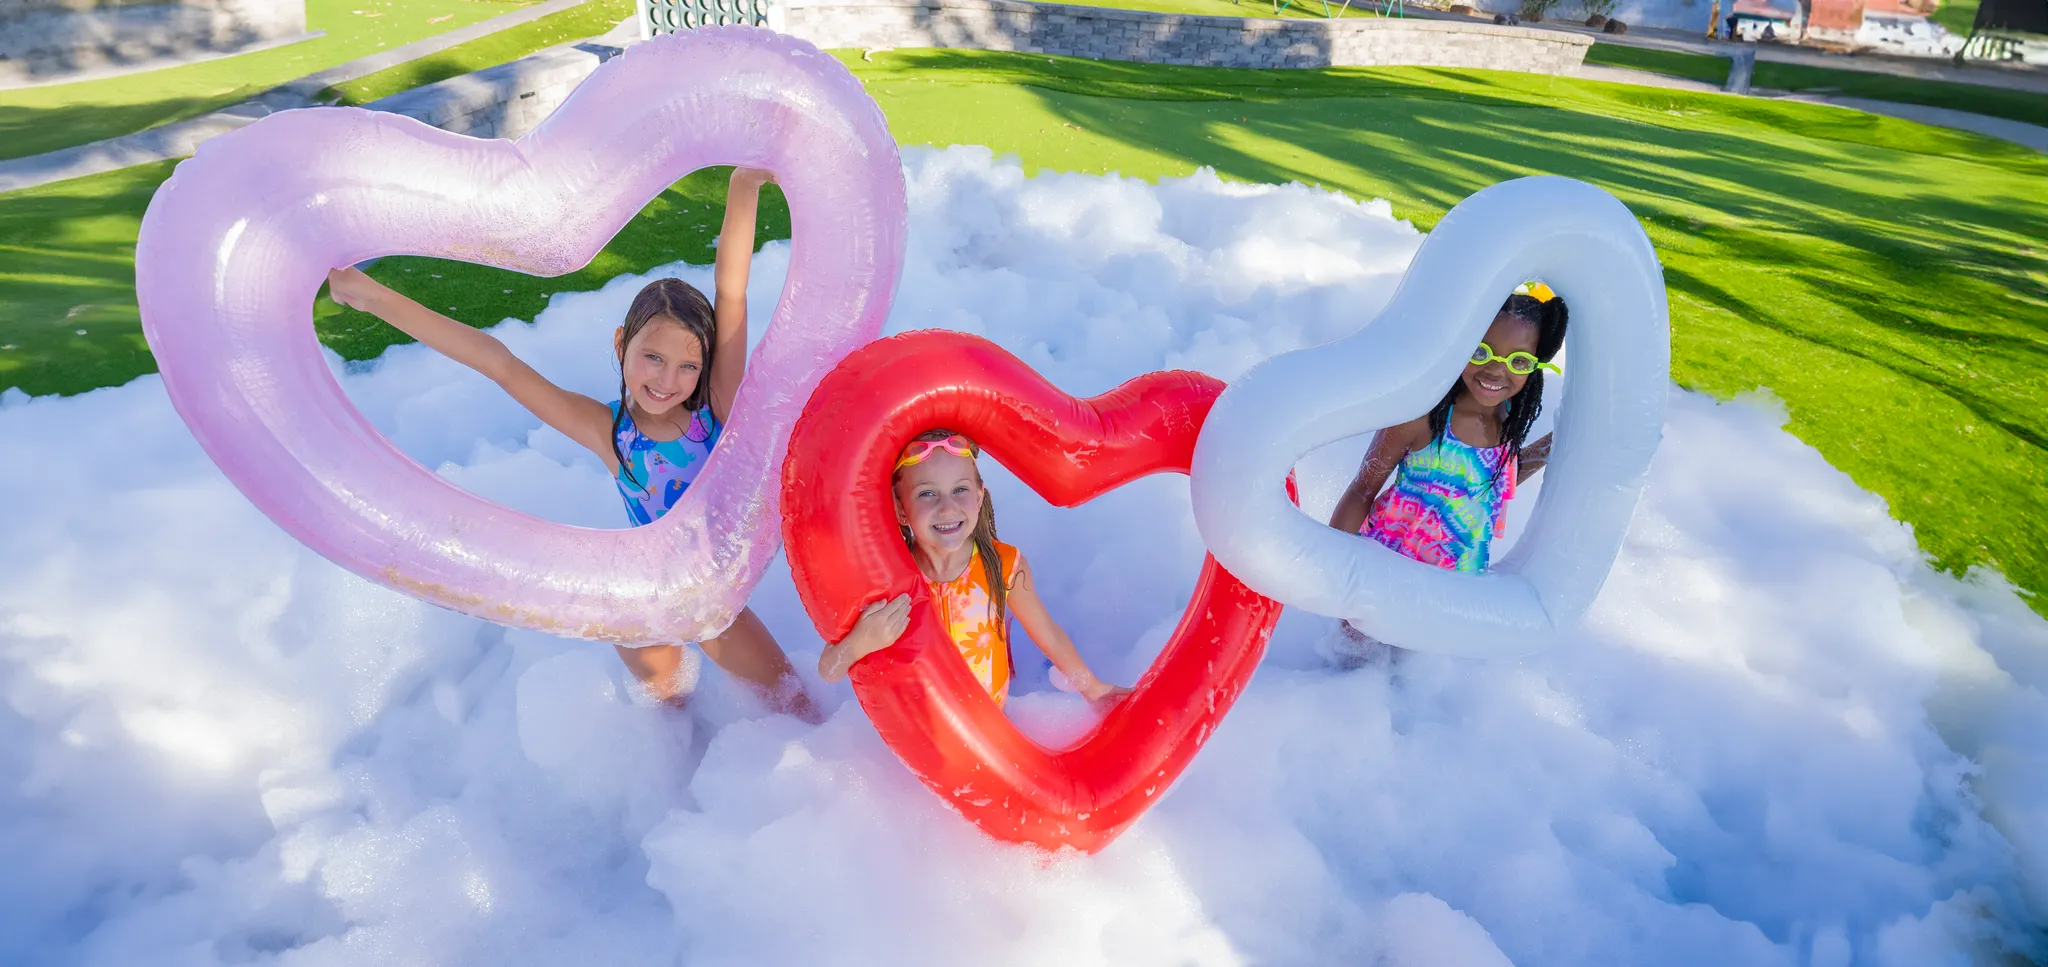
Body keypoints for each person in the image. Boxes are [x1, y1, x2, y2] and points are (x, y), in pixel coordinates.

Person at [326, 167, 818, 720]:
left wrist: (743, 187)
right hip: (648, 595)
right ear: (620, 345)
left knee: (794, 708)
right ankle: (670, 775)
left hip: (714, 599)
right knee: (671, 716)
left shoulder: (717, 413)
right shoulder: (611, 434)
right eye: (652, 357)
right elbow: (498, 363)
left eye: (687, 365)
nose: (667, 379)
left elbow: (732, 291)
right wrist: (370, 296)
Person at [1324, 283, 1567, 664]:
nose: (1495, 370)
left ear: (1534, 367)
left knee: (1409, 684)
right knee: (1352, 672)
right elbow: (1362, 490)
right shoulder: (1423, 415)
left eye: (1518, 361)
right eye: (1481, 351)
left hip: (1451, 591)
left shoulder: (1506, 421)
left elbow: (1484, 487)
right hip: (1384, 577)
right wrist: (1330, 571)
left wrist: (1554, 445)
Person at [817, 430, 1131, 708]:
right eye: (927, 493)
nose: (947, 507)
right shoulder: (887, 577)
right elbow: (828, 672)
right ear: (900, 509)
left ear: (980, 498)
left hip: (989, 736)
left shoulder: (1005, 566)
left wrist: (1094, 690)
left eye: (960, 490)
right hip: (916, 739)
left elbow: (1048, 636)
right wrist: (858, 644)